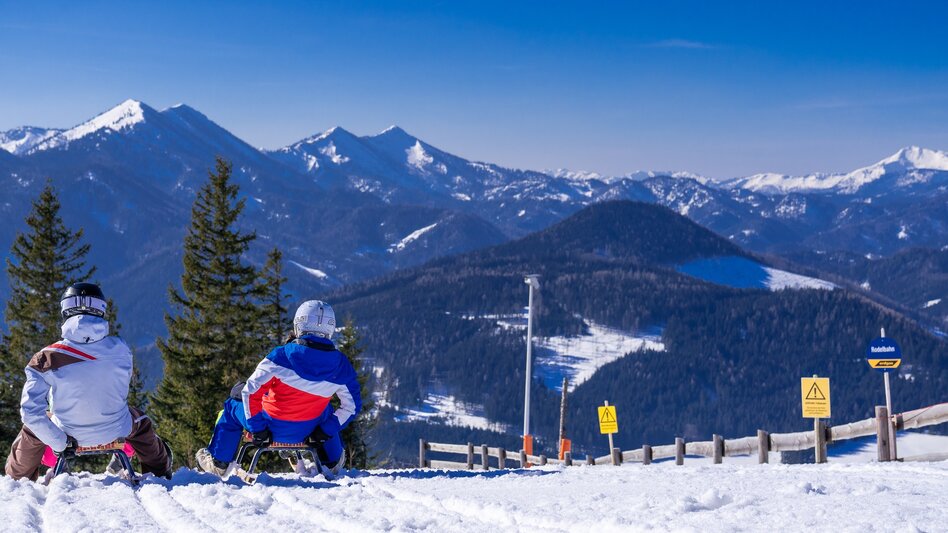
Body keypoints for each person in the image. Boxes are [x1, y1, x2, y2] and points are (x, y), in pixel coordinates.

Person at [4, 283, 173, 481]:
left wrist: (60, 442)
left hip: (65, 432)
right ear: (101, 309)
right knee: (141, 422)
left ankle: (17, 479)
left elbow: (30, 413)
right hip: (115, 429)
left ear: (65, 310)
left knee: (32, 428)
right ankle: (160, 471)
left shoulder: (45, 358)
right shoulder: (121, 349)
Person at [196, 300, 362, 478]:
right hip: (309, 431)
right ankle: (332, 462)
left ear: (299, 324)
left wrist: (258, 428)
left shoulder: (281, 356)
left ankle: (218, 463)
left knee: (231, 407)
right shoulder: (341, 365)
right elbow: (351, 406)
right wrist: (324, 432)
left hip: (269, 428)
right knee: (328, 411)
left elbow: (250, 391)